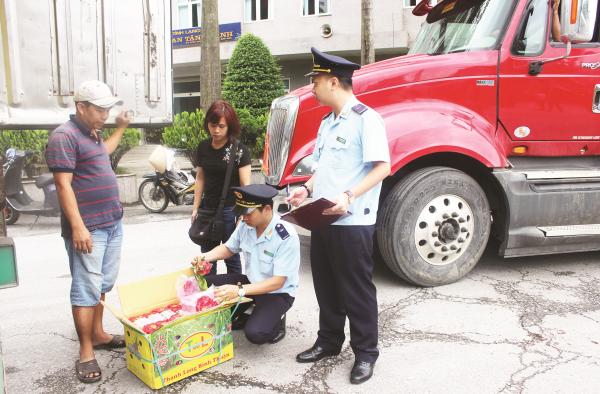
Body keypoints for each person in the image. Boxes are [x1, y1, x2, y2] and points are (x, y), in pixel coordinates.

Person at [287, 47, 391, 385]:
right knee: (327, 286)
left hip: (352, 219)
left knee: (355, 290)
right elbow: (324, 167)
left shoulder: (366, 119)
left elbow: (383, 167)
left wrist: (349, 196)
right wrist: (306, 188)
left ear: (334, 82)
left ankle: (365, 353)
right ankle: (329, 341)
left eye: (316, 81)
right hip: (323, 218)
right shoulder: (327, 122)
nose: (312, 87)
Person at [45, 80, 130, 383]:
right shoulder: (64, 137)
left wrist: (119, 128)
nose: (106, 113)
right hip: (89, 228)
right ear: (81, 107)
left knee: (103, 282)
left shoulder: (93, 132)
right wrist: (79, 226)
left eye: (108, 108)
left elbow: (101, 155)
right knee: (85, 288)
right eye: (100, 108)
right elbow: (63, 184)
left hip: (111, 222)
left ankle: (98, 333)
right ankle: (85, 351)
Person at [198, 184, 300, 344]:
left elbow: (278, 282)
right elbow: (228, 248)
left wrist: (238, 291)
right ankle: (251, 310)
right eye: (241, 213)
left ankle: (276, 322)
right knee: (206, 284)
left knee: (256, 334)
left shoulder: (286, 236)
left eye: (248, 214)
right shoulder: (246, 226)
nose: (243, 218)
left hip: (277, 293)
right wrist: (205, 257)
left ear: (266, 209)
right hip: (252, 284)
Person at [192, 100, 251, 275]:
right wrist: (195, 208)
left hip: (230, 211)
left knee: (231, 257)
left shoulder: (240, 150)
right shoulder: (203, 147)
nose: (216, 130)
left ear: (229, 126)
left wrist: (242, 214)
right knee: (207, 259)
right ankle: (210, 297)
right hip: (207, 209)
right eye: (212, 125)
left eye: (221, 126)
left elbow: (245, 185)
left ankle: (236, 297)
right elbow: (200, 178)